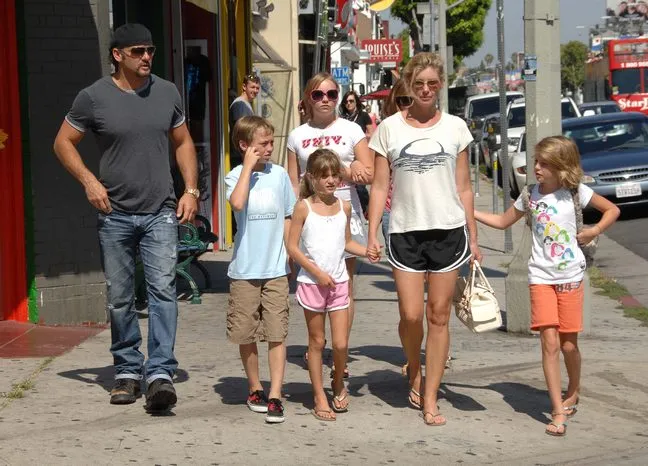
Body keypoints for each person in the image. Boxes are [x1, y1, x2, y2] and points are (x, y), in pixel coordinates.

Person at [53, 23, 198, 411]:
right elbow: (62, 142)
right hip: (114, 213)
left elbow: (182, 142)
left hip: (160, 212)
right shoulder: (93, 98)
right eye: (137, 51)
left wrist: (191, 189)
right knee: (120, 298)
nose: (147, 57)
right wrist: (88, 181)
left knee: (163, 292)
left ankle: (161, 373)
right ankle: (128, 371)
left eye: (150, 50)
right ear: (117, 55)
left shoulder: (166, 92)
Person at [474, 136, 620, 437]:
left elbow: (612, 210)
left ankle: (574, 388)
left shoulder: (575, 192)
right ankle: (556, 411)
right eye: (535, 163)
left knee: (568, 344)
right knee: (549, 343)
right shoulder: (530, 195)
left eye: (543, 164)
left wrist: (594, 230)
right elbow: (503, 221)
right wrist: (468, 212)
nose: (536, 168)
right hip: (540, 277)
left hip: (570, 277)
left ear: (560, 167)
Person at [366, 52, 480, 426]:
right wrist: (372, 234)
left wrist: (474, 238)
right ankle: (414, 366)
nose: (427, 90)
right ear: (409, 88)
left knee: (439, 316)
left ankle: (430, 395)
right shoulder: (390, 129)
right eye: (419, 85)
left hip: (448, 229)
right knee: (411, 314)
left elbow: (464, 188)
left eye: (433, 83)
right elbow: (381, 185)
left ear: (440, 85)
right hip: (404, 231)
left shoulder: (455, 128)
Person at [287, 72, 374, 378]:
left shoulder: (351, 130)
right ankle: (317, 345)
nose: (325, 99)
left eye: (332, 94)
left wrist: (343, 170)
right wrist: (288, 228)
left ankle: (340, 354)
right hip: (309, 219)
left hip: (343, 214)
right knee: (313, 283)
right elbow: (292, 183)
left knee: (343, 288)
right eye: (318, 94)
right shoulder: (297, 136)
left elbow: (370, 172)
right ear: (308, 98)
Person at [287, 149, 377, 421]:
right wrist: (315, 272)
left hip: (339, 283)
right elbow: (292, 247)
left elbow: (346, 242)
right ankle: (319, 395)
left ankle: (337, 381)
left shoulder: (344, 207)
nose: (330, 181)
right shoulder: (303, 207)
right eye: (323, 176)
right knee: (317, 341)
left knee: (340, 344)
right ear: (311, 178)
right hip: (312, 284)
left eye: (334, 175)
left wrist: (366, 251)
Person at [225, 115, 296, 424]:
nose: (270, 148)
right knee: (246, 332)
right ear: (245, 146)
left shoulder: (279, 175)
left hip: (276, 267)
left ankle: (276, 394)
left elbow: (289, 215)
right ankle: (255, 387)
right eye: (263, 144)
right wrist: (247, 169)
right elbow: (238, 204)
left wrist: (290, 252)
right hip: (245, 269)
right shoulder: (235, 176)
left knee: (277, 332)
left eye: (271, 142)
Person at [229, 73, 261, 167]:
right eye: (252, 87)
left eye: (257, 88)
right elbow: (243, 131)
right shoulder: (240, 104)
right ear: (244, 87)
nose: (255, 90)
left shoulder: (245, 104)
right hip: (241, 155)